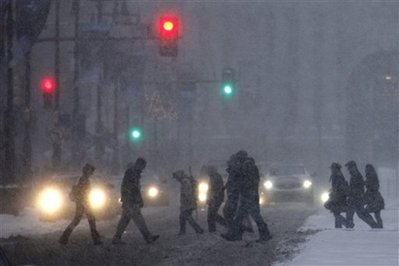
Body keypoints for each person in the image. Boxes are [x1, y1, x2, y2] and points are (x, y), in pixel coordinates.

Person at [222, 157, 272, 242]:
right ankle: (236, 235)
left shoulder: (248, 166)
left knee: (254, 216)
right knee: (240, 217)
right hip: (248, 195)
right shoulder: (249, 167)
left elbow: (246, 181)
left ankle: (265, 234)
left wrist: (239, 183)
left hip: (248, 195)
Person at [112, 158, 159, 244]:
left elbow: (131, 187)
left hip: (129, 200)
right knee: (138, 219)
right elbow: (133, 188)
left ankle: (116, 238)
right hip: (131, 200)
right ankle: (148, 237)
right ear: (139, 164)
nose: (142, 169)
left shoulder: (132, 172)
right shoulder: (132, 172)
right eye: (142, 167)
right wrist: (138, 199)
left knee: (125, 219)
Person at [59, 163, 102, 245]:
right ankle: (96, 239)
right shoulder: (84, 180)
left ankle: (64, 237)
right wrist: (84, 202)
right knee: (88, 220)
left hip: (82, 202)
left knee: (81, 220)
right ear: (87, 171)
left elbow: (82, 192)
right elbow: (83, 192)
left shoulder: (83, 179)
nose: (92, 173)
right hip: (83, 203)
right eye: (91, 171)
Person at [345, 160, 378, 228]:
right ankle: (373, 224)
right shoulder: (354, 175)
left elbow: (359, 187)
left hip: (356, 198)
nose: (348, 170)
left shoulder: (357, 175)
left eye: (349, 168)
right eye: (348, 168)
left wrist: (352, 192)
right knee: (358, 213)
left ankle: (373, 225)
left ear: (354, 167)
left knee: (358, 213)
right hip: (355, 198)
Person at [173, 170, 204, 235]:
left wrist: (186, 201)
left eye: (176, 177)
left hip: (187, 203)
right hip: (188, 202)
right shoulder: (186, 180)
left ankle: (198, 229)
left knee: (187, 217)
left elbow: (187, 193)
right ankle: (183, 231)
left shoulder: (185, 182)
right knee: (183, 217)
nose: (176, 179)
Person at [324, 163, 350, 228]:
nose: (331, 170)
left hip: (338, 198)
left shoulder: (337, 176)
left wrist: (334, 194)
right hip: (338, 197)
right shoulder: (337, 175)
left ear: (335, 169)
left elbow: (339, 188)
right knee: (336, 212)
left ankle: (347, 224)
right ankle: (338, 227)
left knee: (335, 211)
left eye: (332, 168)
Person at [207, 165, 226, 232]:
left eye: (209, 170)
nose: (207, 172)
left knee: (212, 214)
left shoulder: (216, 177)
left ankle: (213, 229)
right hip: (213, 198)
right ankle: (212, 229)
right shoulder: (212, 177)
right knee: (212, 214)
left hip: (215, 198)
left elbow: (218, 189)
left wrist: (214, 197)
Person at [364, 164, 384, 228]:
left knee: (365, 212)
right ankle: (379, 226)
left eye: (366, 169)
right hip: (376, 198)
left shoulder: (370, 176)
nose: (365, 170)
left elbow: (371, 187)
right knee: (377, 214)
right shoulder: (373, 175)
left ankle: (375, 225)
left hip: (373, 198)